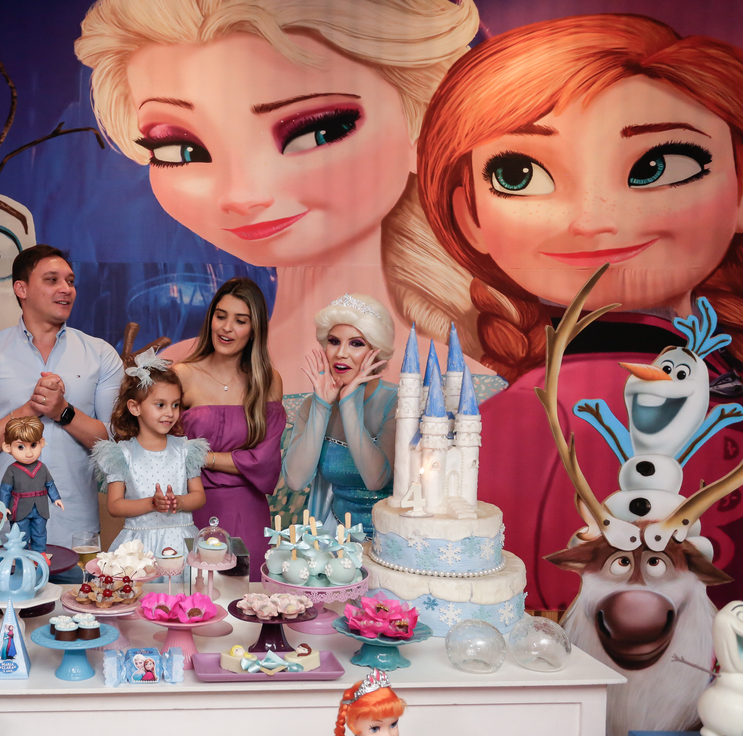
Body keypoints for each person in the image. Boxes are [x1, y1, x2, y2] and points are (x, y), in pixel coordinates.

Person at [414, 13, 743, 610]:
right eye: (519, 174)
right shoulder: (514, 416)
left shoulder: (725, 381)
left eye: (660, 164)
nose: (592, 220)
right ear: (470, 216)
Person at [75, 0, 482, 390]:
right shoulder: (174, 373)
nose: (241, 194)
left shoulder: (460, 385)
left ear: (424, 127)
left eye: (316, 132)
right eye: (181, 149)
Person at [0, 244, 125, 551]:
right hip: (2, 538)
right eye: (52, 280)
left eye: (70, 281)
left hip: (77, 535)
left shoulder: (100, 354)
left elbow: (120, 446)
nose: (66, 289)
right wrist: (27, 411)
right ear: (21, 289)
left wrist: (63, 412)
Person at [174, 278, 285, 579]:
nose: (226, 328)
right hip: (190, 506)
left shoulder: (268, 381)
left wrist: (202, 457)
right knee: (191, 597)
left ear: (255, 329)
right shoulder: (182, 375)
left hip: (247, 511)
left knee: (246, 599)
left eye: (240, 320)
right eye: (221, 316)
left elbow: (265, 462)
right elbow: (166, 453)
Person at [283, 295, 396, 533]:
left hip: (392, 538)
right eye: (334, 341)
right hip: (336, 536)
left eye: (356, 343)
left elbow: (375, 480)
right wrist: (322, 406)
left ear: (376, 351)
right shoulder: (312, 405)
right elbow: (295, 480)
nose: (341, 353)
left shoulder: (397, 402)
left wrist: (348, 405)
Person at [92, 349, 208, 555]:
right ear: (135, 407)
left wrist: (179, 501)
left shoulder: (185, 450)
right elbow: (115, 506)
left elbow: (199, 496)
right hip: (139, 545)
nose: (170, 413)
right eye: (160, 405)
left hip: (181, 541)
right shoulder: (121, 455)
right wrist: (152, 503)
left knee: (183, 576)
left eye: (175, 405)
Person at [0, 416, 64, 553]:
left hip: (40, 508)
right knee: (20, 535)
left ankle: (40, 554)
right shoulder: (12, 470)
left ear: (41, 443)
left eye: (33, 445)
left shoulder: (42, 467)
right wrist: (3, 507)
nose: (29, 453)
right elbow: (5, 490)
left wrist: (56, 498)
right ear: (7, 447)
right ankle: (20, 556)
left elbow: (49, 484)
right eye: (21, 447)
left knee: (40, 533)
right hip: (19, 509)